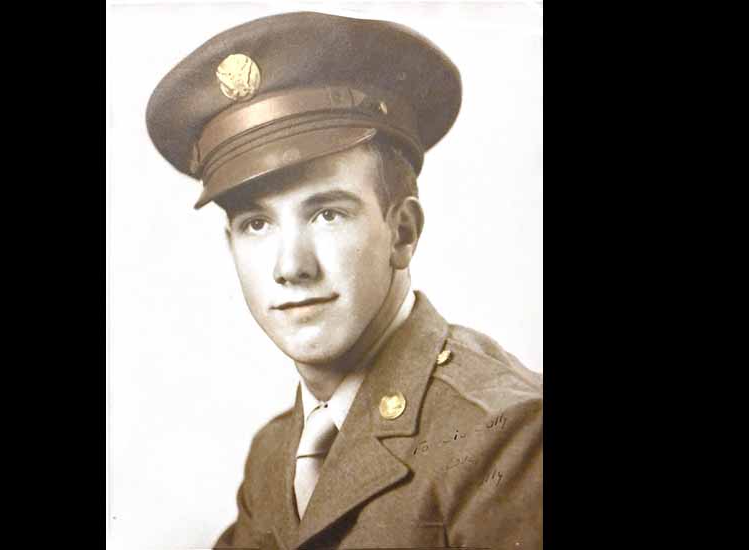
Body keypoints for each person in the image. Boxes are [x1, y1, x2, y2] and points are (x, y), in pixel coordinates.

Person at [146, 11, 542, 549]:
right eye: (256, 224)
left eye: (327, 214)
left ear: (402, 232)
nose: (291, 266)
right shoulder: (275, 454)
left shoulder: (506, 436)